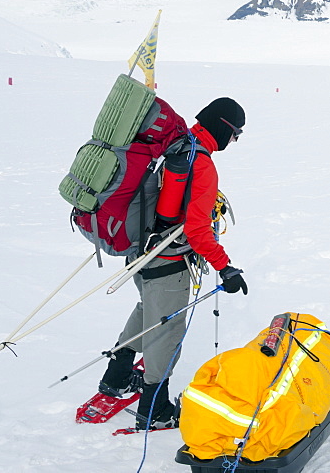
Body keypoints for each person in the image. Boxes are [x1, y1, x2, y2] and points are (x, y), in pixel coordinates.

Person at [97, 97, 249, 430]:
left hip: (138, 251)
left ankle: (117, 375)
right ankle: (155, 410)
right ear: (223, 128)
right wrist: (225, 267)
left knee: (146, 308)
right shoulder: (202, 165)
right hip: (167, 261)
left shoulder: (174, 143)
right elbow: (197, 230)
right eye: (235, 134)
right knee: (166, 329)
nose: (233, 142)